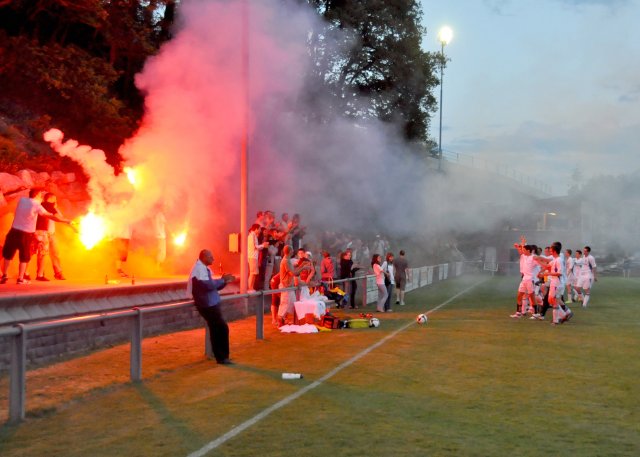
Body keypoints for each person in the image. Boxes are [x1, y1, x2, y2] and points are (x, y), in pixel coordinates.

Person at [1, 188, 72, 284]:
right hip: (33, 233)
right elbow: (50, 216)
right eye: (41, 195)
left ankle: (7, 276)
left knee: (13, 255)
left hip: (18, 231)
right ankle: (27, 277)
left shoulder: (23, 200)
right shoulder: (39, 206)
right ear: (38, 195)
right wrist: (66, 221)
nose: (42, 197)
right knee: (32, 255)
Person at [187, 249, 235, 364]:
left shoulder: (202, 268)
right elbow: (208, 285)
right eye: (210, 257)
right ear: (204, 257)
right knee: (221, 328)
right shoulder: (199, 268)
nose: (213, 259)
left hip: (210, 303)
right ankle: (222, 357)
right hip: (207, 304)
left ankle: (221, 357)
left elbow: (212, 286)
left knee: (217, 329)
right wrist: (222, 280)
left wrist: (224, 282)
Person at [34, 192, 68, 281]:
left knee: (55, 253)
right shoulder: (41, 207)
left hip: (52, 234)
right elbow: (59, 218)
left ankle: (58, 273)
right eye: (55, 199)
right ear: (50, 198)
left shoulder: (53, 208)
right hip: (42, 233)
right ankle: (39, 273)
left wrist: (55, 208)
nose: (56, 200)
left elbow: (60, 217)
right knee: (41, 253)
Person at [247, 223, 268, 291]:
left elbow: (256, 247)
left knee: (254, 273)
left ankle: (251, 287)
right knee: (252, 273)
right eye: (259, 229)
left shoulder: (253, 235)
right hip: (252, 257)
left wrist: (262, 245)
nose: (260, 230)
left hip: (254, 256)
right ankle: (250, 288)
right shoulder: (252, 236)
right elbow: (255, 247)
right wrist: (263, 245)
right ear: (256, 229)